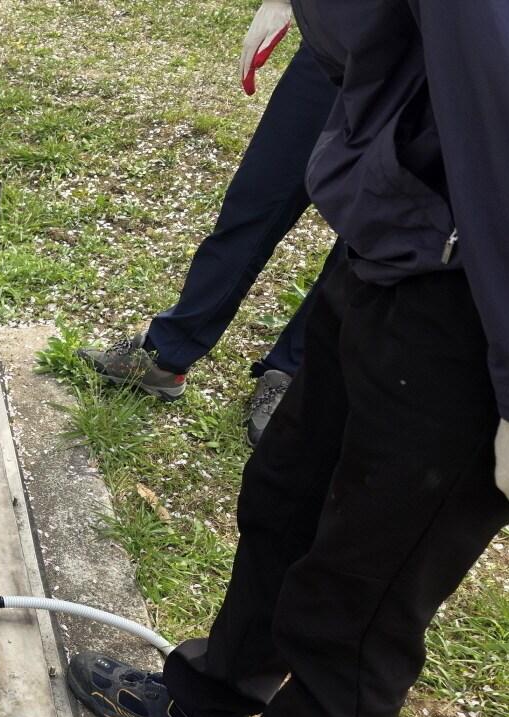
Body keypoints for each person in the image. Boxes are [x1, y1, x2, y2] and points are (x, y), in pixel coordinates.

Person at [69, 1, 509, 717]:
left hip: (478, 319)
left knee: (358, 604)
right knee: (283, 494)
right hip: (395, 243)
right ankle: (209, 700)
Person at [80, 0, 338, 445]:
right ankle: (168, 354)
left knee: (366, 243)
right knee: (257, 200)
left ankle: (292, 373)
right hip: (343, 39)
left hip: (437, 78)